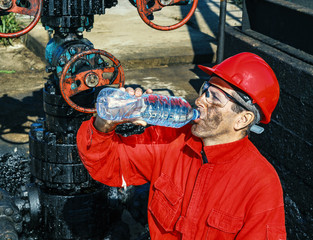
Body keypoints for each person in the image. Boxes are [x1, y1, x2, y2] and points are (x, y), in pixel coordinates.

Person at [76, 52, 286, 239]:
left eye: (214, 98)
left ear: (242, 119)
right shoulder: (173, 138)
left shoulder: (261, 184)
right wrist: (106, 122)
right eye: (205, 89)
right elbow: (106, 164)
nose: (200, 101)